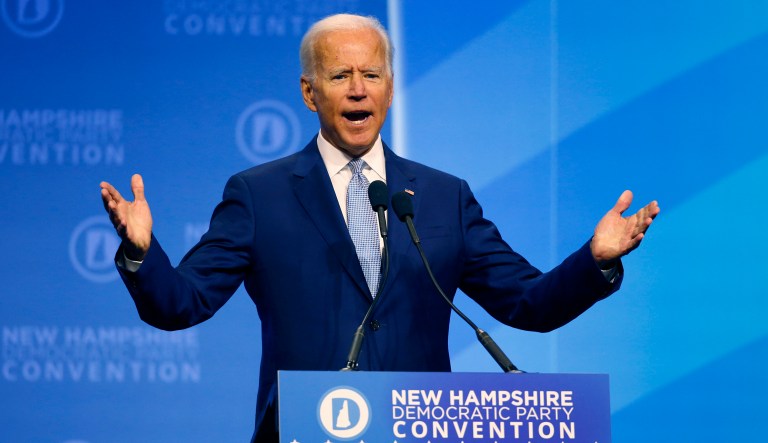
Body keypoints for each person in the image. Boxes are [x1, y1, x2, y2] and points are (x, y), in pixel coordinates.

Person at [100, 13, 659, 443]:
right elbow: (182, 303)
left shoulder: (443, 196)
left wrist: (596, 260)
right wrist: (142, 252)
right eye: (340, 75)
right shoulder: (259, 194)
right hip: (304, 432)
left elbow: (527, 303)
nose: (358, 89)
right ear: (309, 92)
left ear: (389, 88)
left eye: (371, 74)